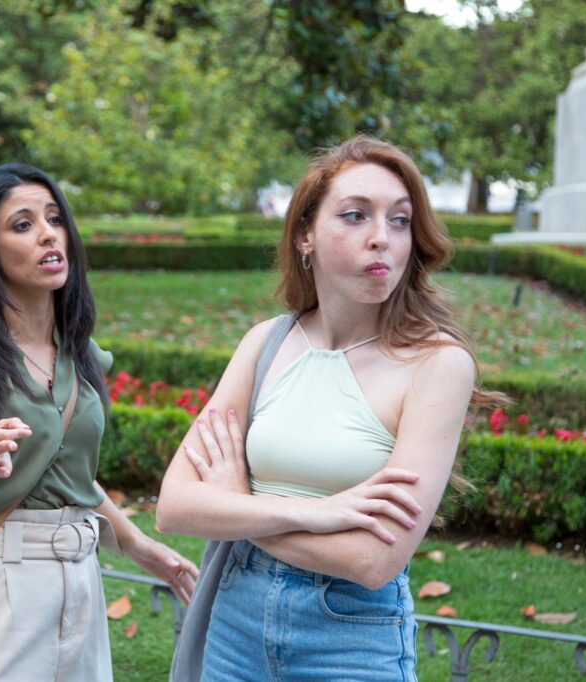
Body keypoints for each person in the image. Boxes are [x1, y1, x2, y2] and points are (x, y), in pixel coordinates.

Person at [157, 136, 487, 681]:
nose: (382, 238)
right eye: (356, 216)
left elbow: (373, 560)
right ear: (305, 235)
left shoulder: (438, 364)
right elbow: (174, 506)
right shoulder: (266, 342)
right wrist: (313, 512)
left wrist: (237, 504)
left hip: (349, 632)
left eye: (400, 221)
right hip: (234, 620)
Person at [0, 163, 197, 682]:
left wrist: (139, 546)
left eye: (54, 218)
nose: (49, 234)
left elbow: (67, 476)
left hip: (80, 578)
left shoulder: (82, 356)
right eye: (22, 224)